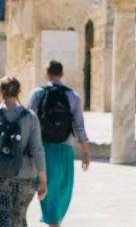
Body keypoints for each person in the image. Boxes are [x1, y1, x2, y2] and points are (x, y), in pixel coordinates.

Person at [28, 61, 90, 227]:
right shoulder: (73, 96)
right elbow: (79, 127)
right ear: (62, 75)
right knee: (63, 190)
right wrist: (86, 152)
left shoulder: (37, 93)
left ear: (47, 74)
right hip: (65, 149)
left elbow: (29, 122)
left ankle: (53, 223)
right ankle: (55, 223)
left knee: (49, 189)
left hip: (43, 149)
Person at [0, 76, 47, 227]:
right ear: (19, 91)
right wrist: (43, 181)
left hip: (2, 177)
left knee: (3, 218)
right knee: (19, 219)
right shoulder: (30, 117)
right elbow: (37, 149)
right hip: (26, 178)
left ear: (1, 92)